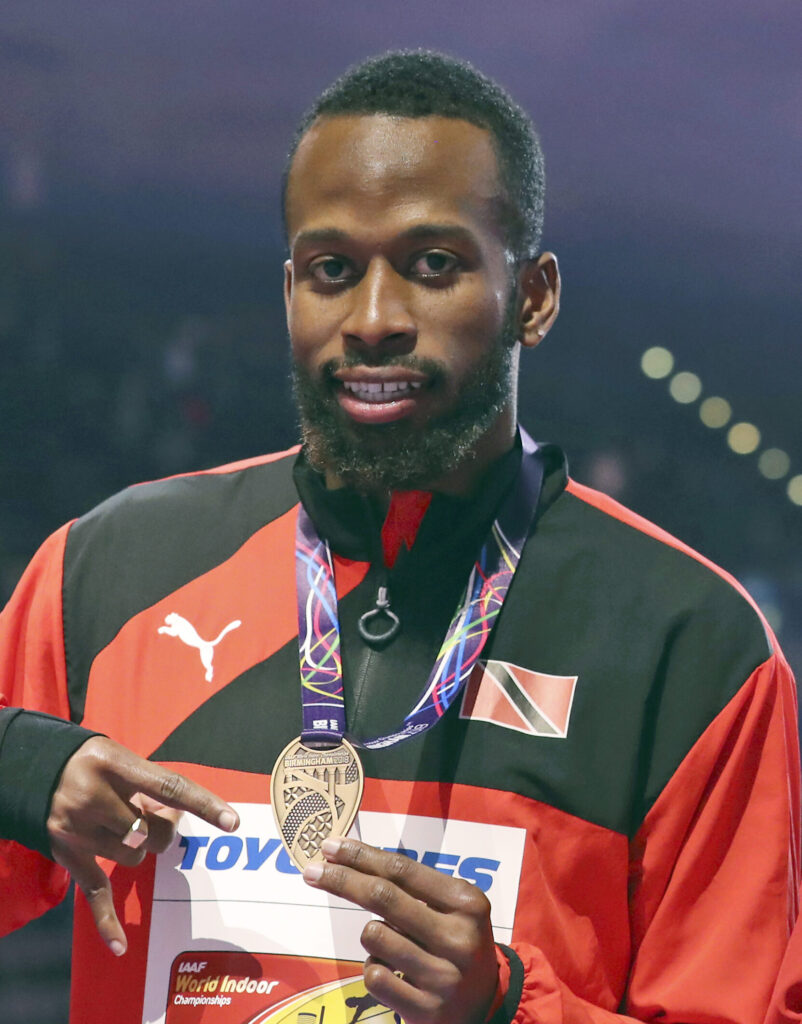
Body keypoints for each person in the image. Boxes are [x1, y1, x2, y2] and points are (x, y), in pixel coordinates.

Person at [0, 50, 798, 1024]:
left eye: (433, 265)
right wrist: (20, 766)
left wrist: (506, 1006)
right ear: (290, 291)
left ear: (533, 297)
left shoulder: (691, 647)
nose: (374, 319)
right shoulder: (109, 569)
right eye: (334, 270)